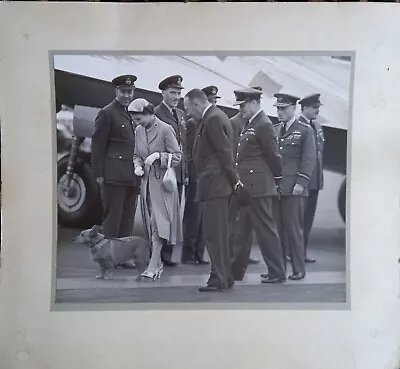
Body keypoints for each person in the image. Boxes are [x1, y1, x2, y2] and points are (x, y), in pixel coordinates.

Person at [184, 89, 240, 292]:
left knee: (213, 236)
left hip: (215, 185)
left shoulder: (213, 119)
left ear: (197, 104)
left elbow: (225, 154)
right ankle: (226, 277)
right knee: (218, 235)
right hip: (215, 185)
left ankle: (218, 279)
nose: (188, 113)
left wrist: (235, 182)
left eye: (188, 108)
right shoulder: (213, 116)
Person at [230, 88, 286, 283]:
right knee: (242, 232)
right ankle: (235, 271)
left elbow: (274, 156)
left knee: (266, 232)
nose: (241, 109)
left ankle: (277, 272)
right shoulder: (252, 122)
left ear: (254, 103)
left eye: (243, 105)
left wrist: (278, 180)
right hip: (248, 188)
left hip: (259, 188)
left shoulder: (263, 124)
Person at [129, 98, 182, 280]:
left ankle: (153, 264)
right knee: (148, 224)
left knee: (157, 224)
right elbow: (136, 154)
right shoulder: (139, 131)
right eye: (135, 120)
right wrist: (137, 165)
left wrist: (159, 156)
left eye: (139, 119)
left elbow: (177, 157)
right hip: (146, 184)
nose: (137, 123)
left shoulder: (166, 129)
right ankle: (156, 263)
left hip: (163, 185)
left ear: (149, 113)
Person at [91, 75, 140, 252]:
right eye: (123, 91)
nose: (127, 95)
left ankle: (122, 255)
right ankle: (108, 256)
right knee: (112, 220)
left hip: (131, 175)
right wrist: (99, 174)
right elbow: (97, 146)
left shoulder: (133, 114)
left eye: (130, 92)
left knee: (127, 219)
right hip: (114, 176)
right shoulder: (107, 113)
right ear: (116, 91)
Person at [271, 93, 316, 280]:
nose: (279, 112)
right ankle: (280, 269)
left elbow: (308, 159)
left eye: (283, 108)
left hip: (294, 188)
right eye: (278, 108)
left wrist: (301, 182)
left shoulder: (304, 130)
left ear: (293, 109)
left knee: (293, 230)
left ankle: (298, 269)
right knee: (277, 230)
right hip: (277, 188)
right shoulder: (275, 129)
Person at [154, 74, 187, 267]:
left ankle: (167, 253)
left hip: (178, 173)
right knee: (160, 213)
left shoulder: (181, 115)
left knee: (173, 214)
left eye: (178, 93)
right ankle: (156, 253)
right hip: (163, 171)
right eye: (172, 92)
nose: (176, 97)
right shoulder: (157, 113)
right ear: (163, 93)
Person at [298, 93, 325, 263]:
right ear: (305, 108)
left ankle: (302, 252)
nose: (317, 110)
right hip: (303, 181)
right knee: (298, 220)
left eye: (318, 107)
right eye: (314, 107)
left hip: (315, 182)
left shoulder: (317, 125)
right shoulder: (297, 126)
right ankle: (292, 252)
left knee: (308, 220)